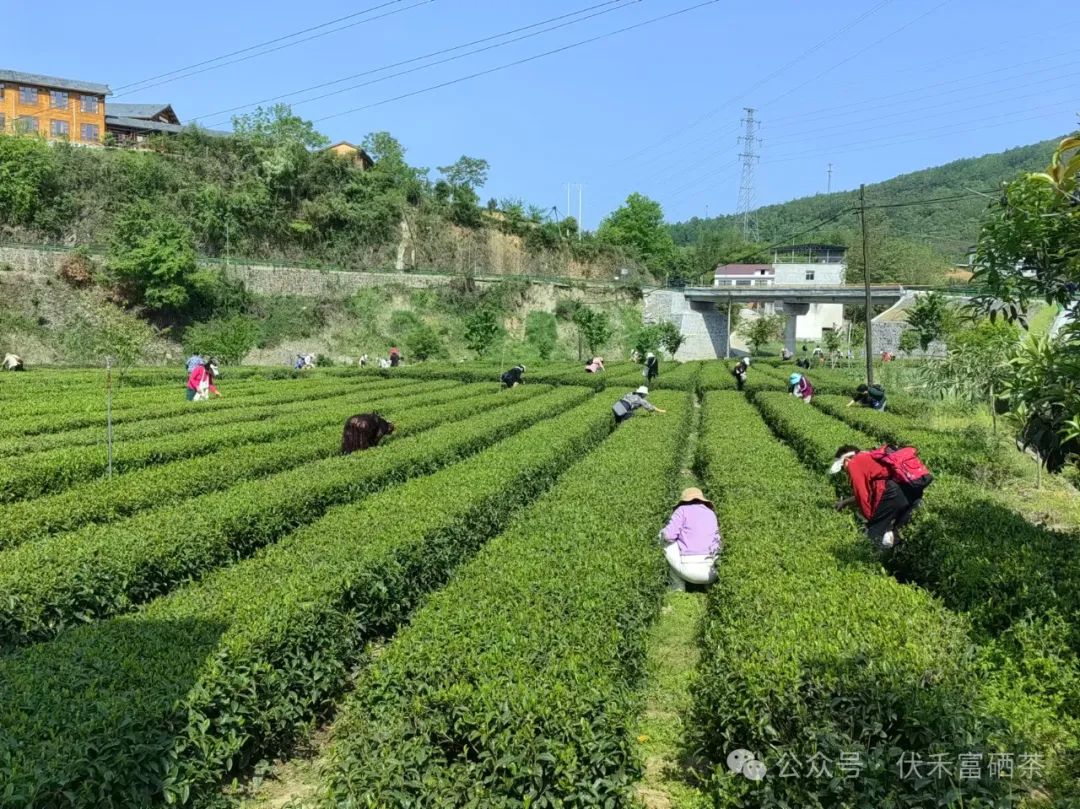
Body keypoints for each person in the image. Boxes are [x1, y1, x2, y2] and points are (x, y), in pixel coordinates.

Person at [830, 444, 930, 550]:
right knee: (896, 535)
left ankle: (868, 561)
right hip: (913, 490)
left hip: (894, 492)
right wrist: (845, 502)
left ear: (846, 460)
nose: (844, 471)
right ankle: (890, 560)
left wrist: (872, 520)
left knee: (872, 537)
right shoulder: (869, 457)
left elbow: (862, 495)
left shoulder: (854, 463)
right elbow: (871, 492)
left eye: (842, 467)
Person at [659, 487, 721, 591]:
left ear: (684, 501)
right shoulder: (711, 513)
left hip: (688, 571)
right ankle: (709, 586)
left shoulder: (682, 510)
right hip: (713, 572)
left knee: (662, 537)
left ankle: (677, 585)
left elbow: (668, 536)